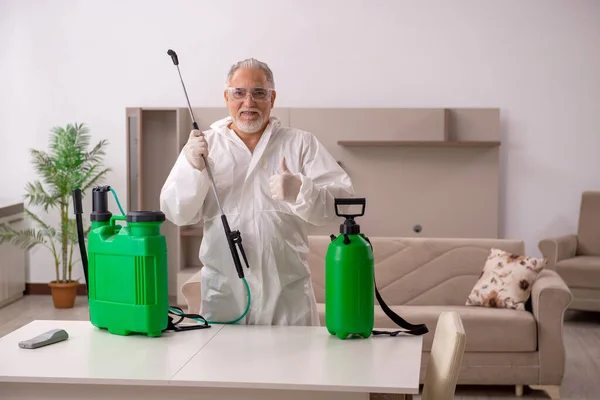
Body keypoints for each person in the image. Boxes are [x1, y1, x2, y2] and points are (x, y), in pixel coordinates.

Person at [159, 58, 354, 326]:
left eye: (259, 93)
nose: (248, 103)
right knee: (223, 368)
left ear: (272, 99)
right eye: (239, 93)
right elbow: (177, 213)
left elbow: (341, 206)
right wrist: (194, 170)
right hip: (224, 297)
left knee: (292, 367)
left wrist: (301, 191)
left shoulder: (300, 144)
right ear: (226, 98)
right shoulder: (204, 145)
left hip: (287, 297)